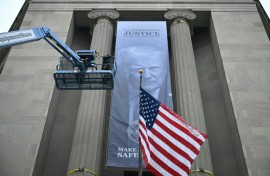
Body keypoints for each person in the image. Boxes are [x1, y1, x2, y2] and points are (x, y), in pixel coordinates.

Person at [116, 46, 171, 143]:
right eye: (138, 70)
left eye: (154, 69)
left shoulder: (169, 100)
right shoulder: (116, 101)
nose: (147, 76)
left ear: (164, 71)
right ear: (126, 72)